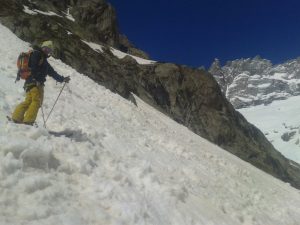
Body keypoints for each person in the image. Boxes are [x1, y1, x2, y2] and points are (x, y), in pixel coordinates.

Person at [12, 40, 70, 125]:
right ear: (42, 47)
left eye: (49, 50)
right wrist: (35, 79)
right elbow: (33, 67)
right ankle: (28, 121)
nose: (47, 51)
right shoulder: (37, 54)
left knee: (29, 101)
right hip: (35, 83)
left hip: (30, 83)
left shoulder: (44, 61)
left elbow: (52, 73)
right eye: (46, 49)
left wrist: (62, 79)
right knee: (36, 101)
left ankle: (16, 117)